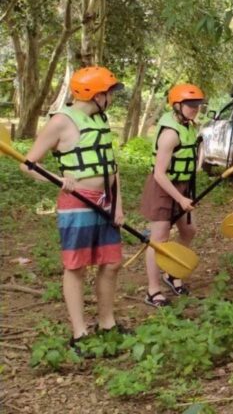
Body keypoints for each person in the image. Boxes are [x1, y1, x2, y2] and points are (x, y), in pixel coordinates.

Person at [20, 66, 126, 349]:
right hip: (77, 202)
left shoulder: (100, 120)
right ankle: (80, 333)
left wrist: (118, 205)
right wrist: (58, 179)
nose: (112, 99)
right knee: (76, 267)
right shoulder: (61, 121)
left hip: (105, 202)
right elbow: (28, 164)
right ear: (96, 94)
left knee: (112, 263)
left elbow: (112, 168)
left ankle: (107, 323)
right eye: (109, 93)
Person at [140, 83, 204, 307]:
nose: (195, 109)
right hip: (163, 188)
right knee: (159, 239)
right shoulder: (170, 134)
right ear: (177, 105)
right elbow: (159, 174)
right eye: (190, 105)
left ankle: (171, 273)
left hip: (182, 186)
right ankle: (153, 290)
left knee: (189, 230)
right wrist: (179, 199)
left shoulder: (189, 126)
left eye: (198, 105)